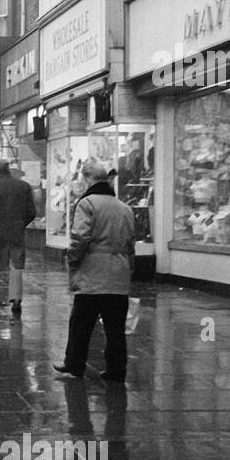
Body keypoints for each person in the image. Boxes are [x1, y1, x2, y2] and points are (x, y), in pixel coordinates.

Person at [54, 158, 135, 381]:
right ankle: (117, 370)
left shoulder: (87, 204)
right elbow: (131, 244)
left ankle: (74, 364)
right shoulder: (125, 207)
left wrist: (72, 260)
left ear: (88, 179)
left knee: (81, 322)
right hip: (118, 274)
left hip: (92, 274)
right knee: (115, 328)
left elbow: (81, 237)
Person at [0, 158, 37, 316]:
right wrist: (21, 223)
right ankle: (16, 299)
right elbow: (31, 211)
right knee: (16, 263)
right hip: (16, 230)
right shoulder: (23, 186)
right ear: (8, 169)